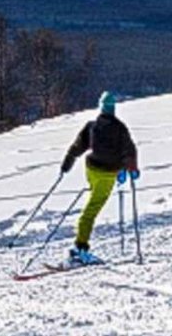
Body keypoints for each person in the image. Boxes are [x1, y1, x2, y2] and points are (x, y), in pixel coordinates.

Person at [60, 91, 139, 266]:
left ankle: (80, 247)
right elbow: (129, 151)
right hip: (107, 174)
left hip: (90, 169)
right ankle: (80, 248)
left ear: (100, 106)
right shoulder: (120, 128)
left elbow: (77, 147)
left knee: (93, 199)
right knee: (92, 209)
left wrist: (66, 164)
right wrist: (130, 168)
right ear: (113, 108)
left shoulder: (92, 126)